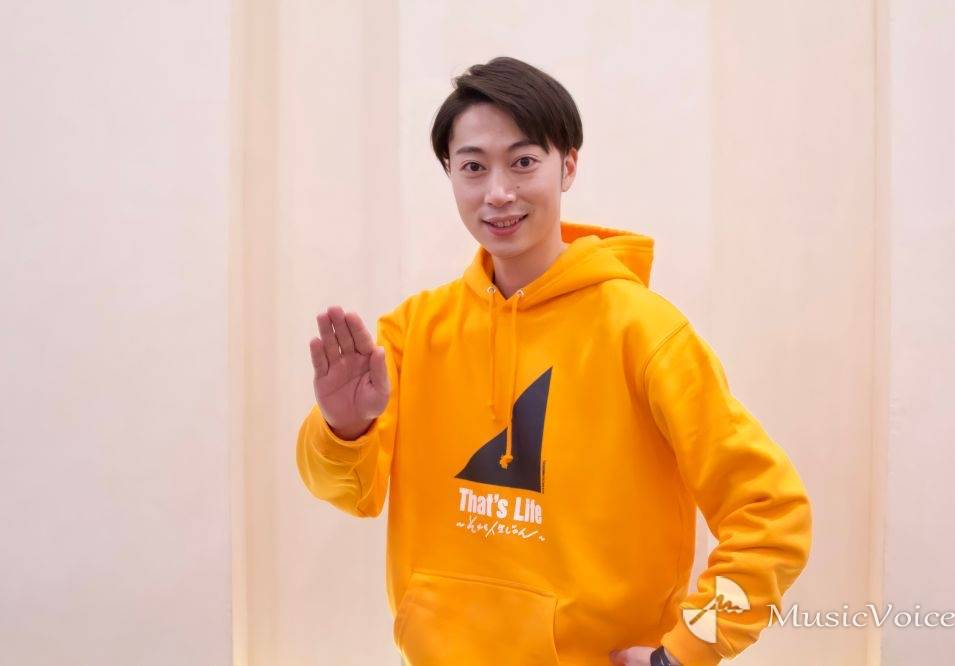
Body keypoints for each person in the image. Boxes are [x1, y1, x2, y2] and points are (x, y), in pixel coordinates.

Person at [296, 56, 812, 666]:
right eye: (473, 166)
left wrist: (687, 650)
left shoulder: (644, 331)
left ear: (567, 166)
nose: (498, 193)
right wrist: (344, 428)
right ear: (450, 174)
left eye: (523, 162)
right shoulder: (412, 330)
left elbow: (770, 512)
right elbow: (346, 492)